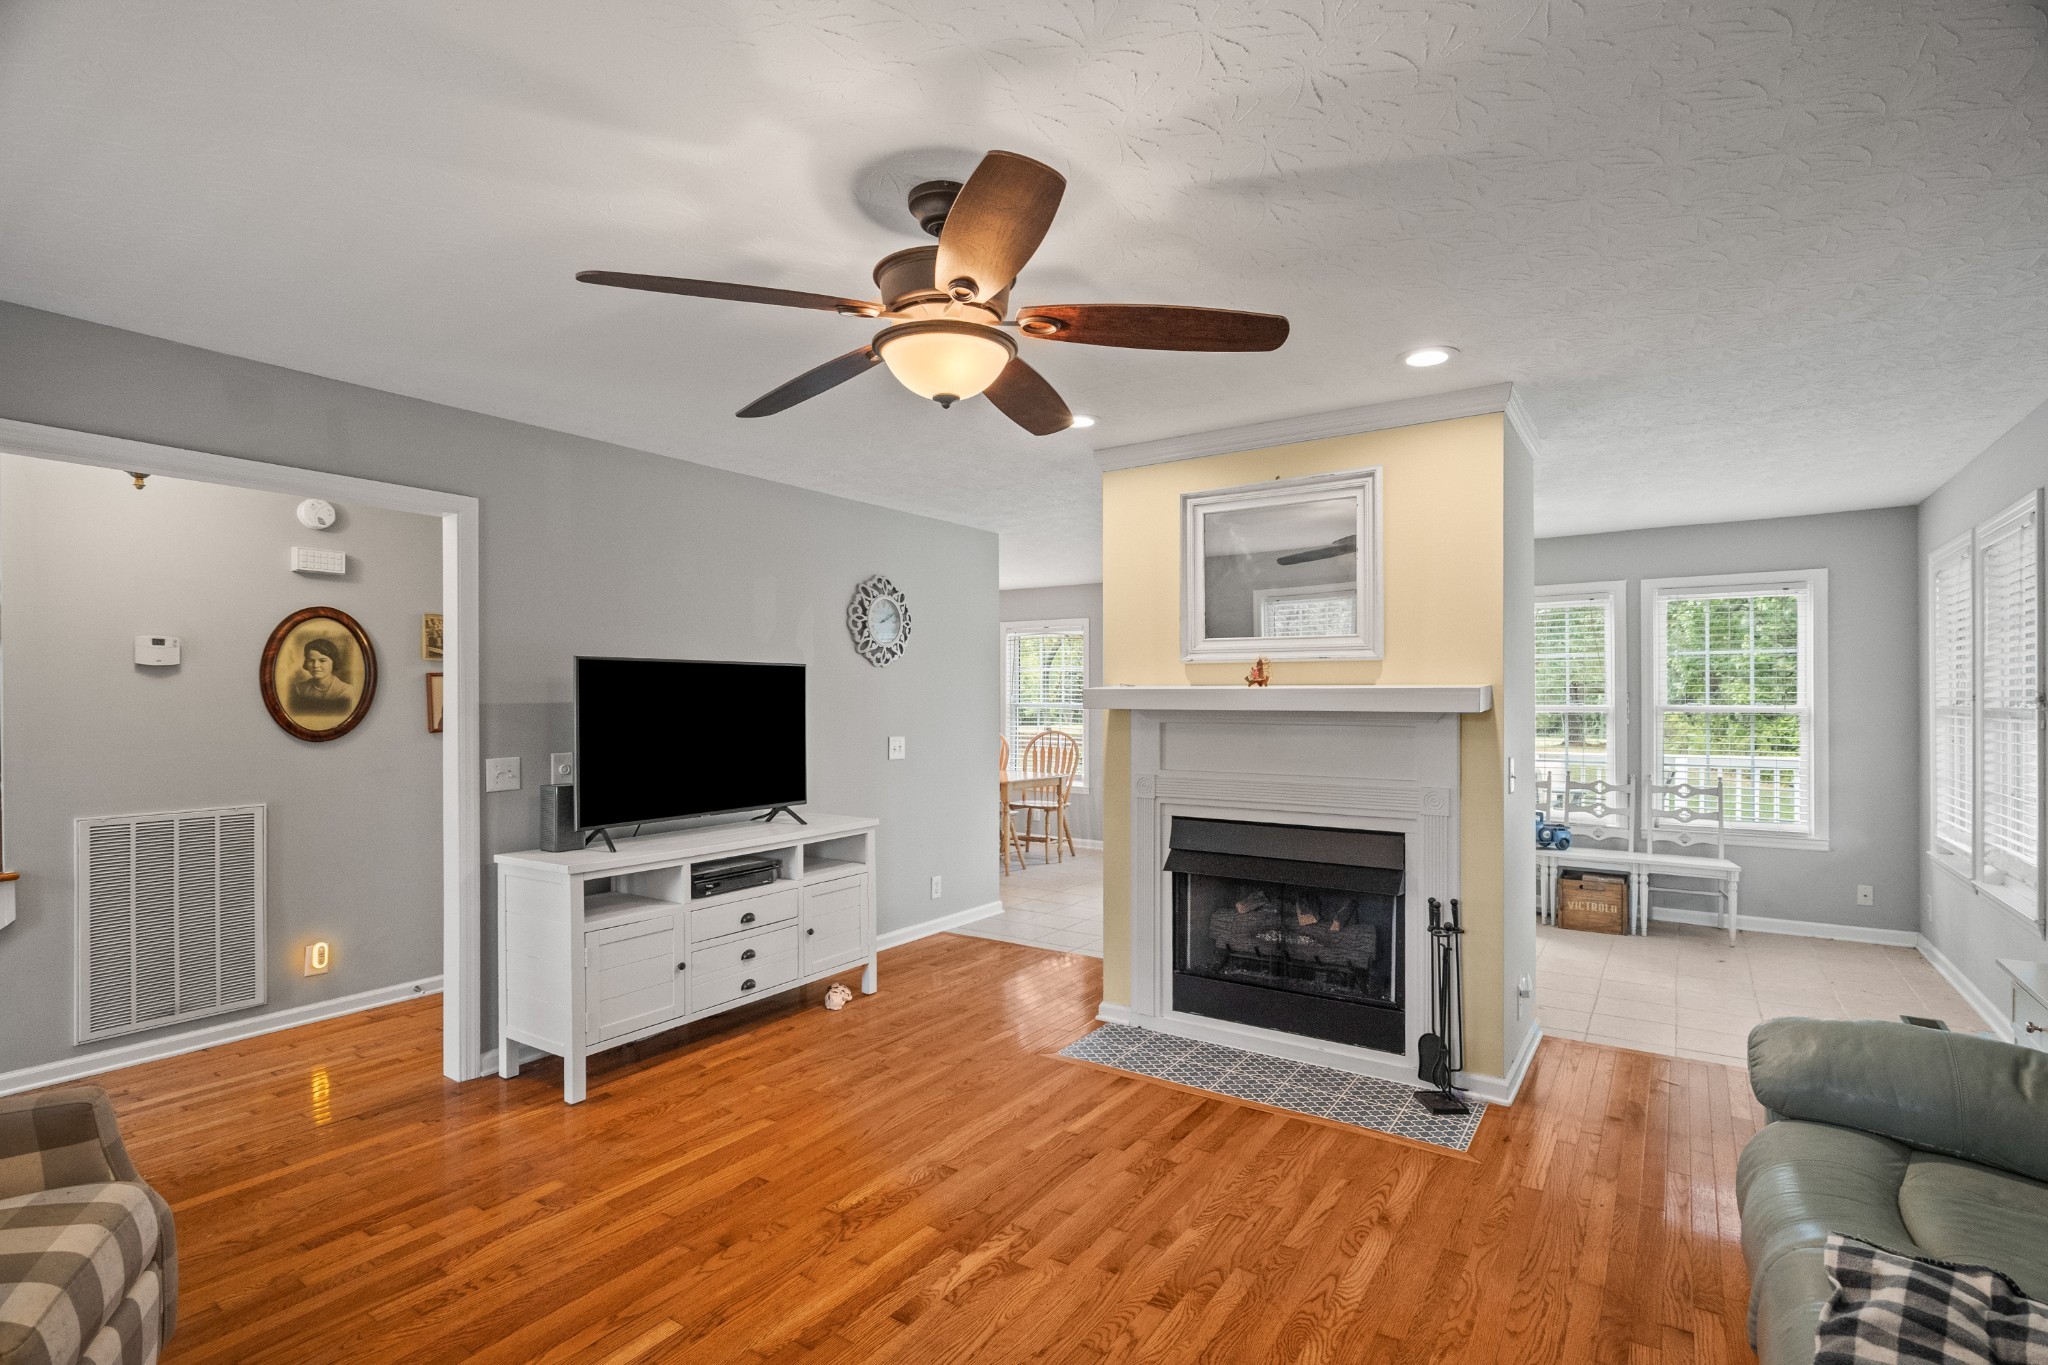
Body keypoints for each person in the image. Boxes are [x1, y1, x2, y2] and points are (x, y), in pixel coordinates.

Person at [288, 636, 357, 716]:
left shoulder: (347, 692)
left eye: (322, 660)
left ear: (333, 662)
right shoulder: (299, 689)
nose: (316, 665)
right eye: (311, 660)